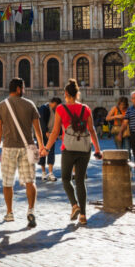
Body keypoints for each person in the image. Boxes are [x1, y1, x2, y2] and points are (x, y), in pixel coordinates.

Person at [41, 79, 103, 226]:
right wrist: (98, 150)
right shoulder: (86, 108)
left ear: (66, 93)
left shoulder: (61, 109)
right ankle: (83, 215)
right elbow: (92, 130)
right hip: (84, 149)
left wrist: (47, 148)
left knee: (65, 179)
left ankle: (74, 205)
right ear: (77, 94)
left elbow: (55, 132)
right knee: (80, 181)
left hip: (68, 149)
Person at [0, 78, 45, 228]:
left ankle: (9, 212)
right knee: (30, 181)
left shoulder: (1, 106)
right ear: (18, 89)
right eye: (23, 87)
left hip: (9, 147)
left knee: (7, 182)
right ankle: (31, 211)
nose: (24, 90)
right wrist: (41, 146)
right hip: (28, 147)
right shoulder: (30, 104)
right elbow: (37, 129)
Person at [37, 98, 59, 182]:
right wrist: (45, 131)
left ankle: (50, 173)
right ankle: (43, 173)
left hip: (52, 134)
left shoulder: (56, 110)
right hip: (43, 134)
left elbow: (57, 122)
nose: (57, 107)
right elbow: (41, 121)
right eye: (56, 105)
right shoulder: (44, 108)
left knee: (51, 152)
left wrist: (58, 133)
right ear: (53, 103)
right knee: (42, 151)